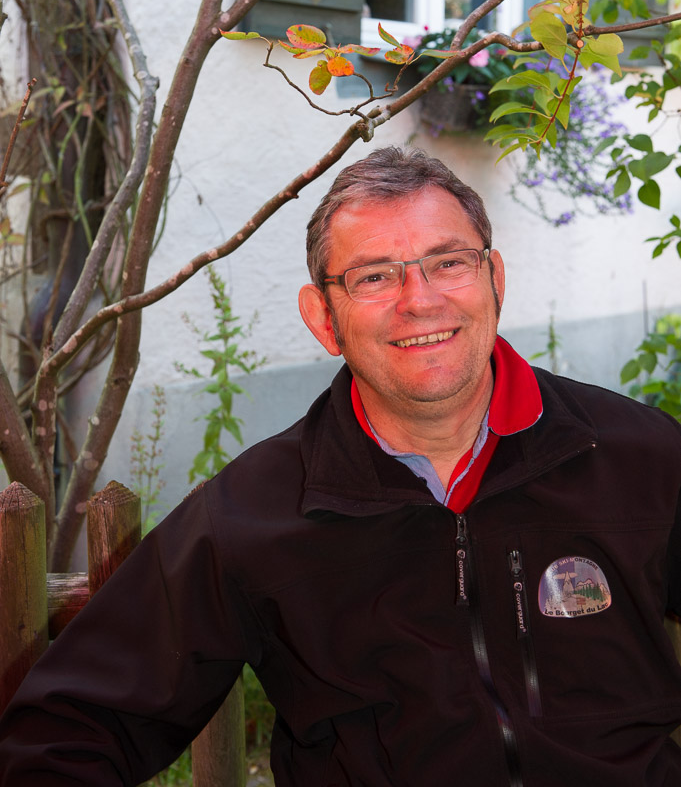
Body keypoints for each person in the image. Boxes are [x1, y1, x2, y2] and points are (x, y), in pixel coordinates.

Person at [2, 145, 681, 787]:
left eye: (448, 262)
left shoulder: (642, 457)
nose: (420, 299)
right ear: (323, 318)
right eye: (374, 276)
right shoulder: (253, 514)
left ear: (493, 279)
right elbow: (63, 734)